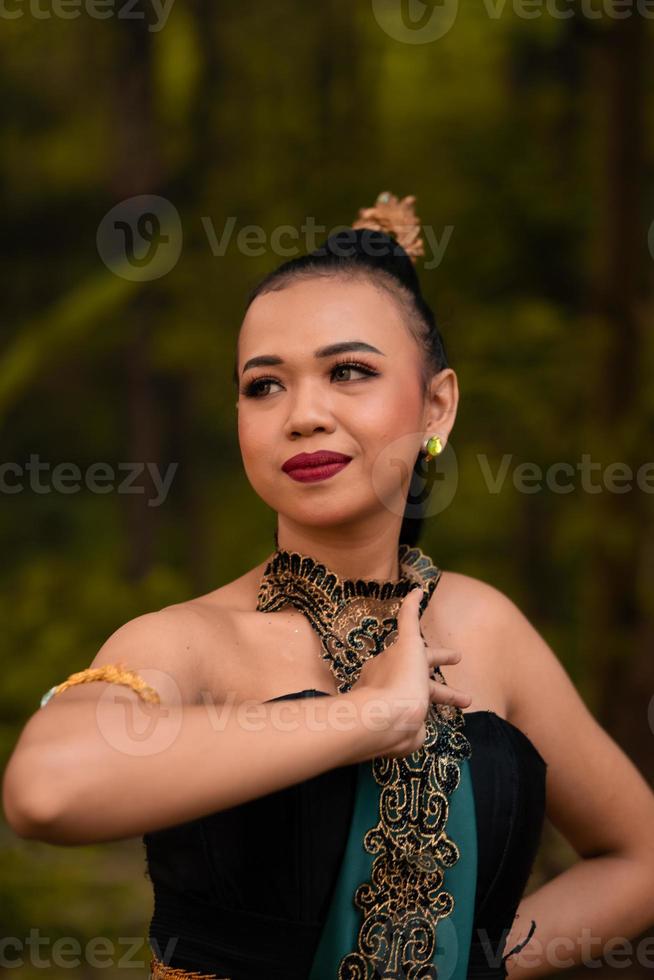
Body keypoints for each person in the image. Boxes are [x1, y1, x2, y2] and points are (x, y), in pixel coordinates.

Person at [3, 192, 654, 980]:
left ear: (437, 404)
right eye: (264, 385)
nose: (303, 414)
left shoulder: (487, 628)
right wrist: (368, 716)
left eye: (349, 371)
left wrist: (474, 963)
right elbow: (45, 792)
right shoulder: (192, 640)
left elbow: (639, 857)